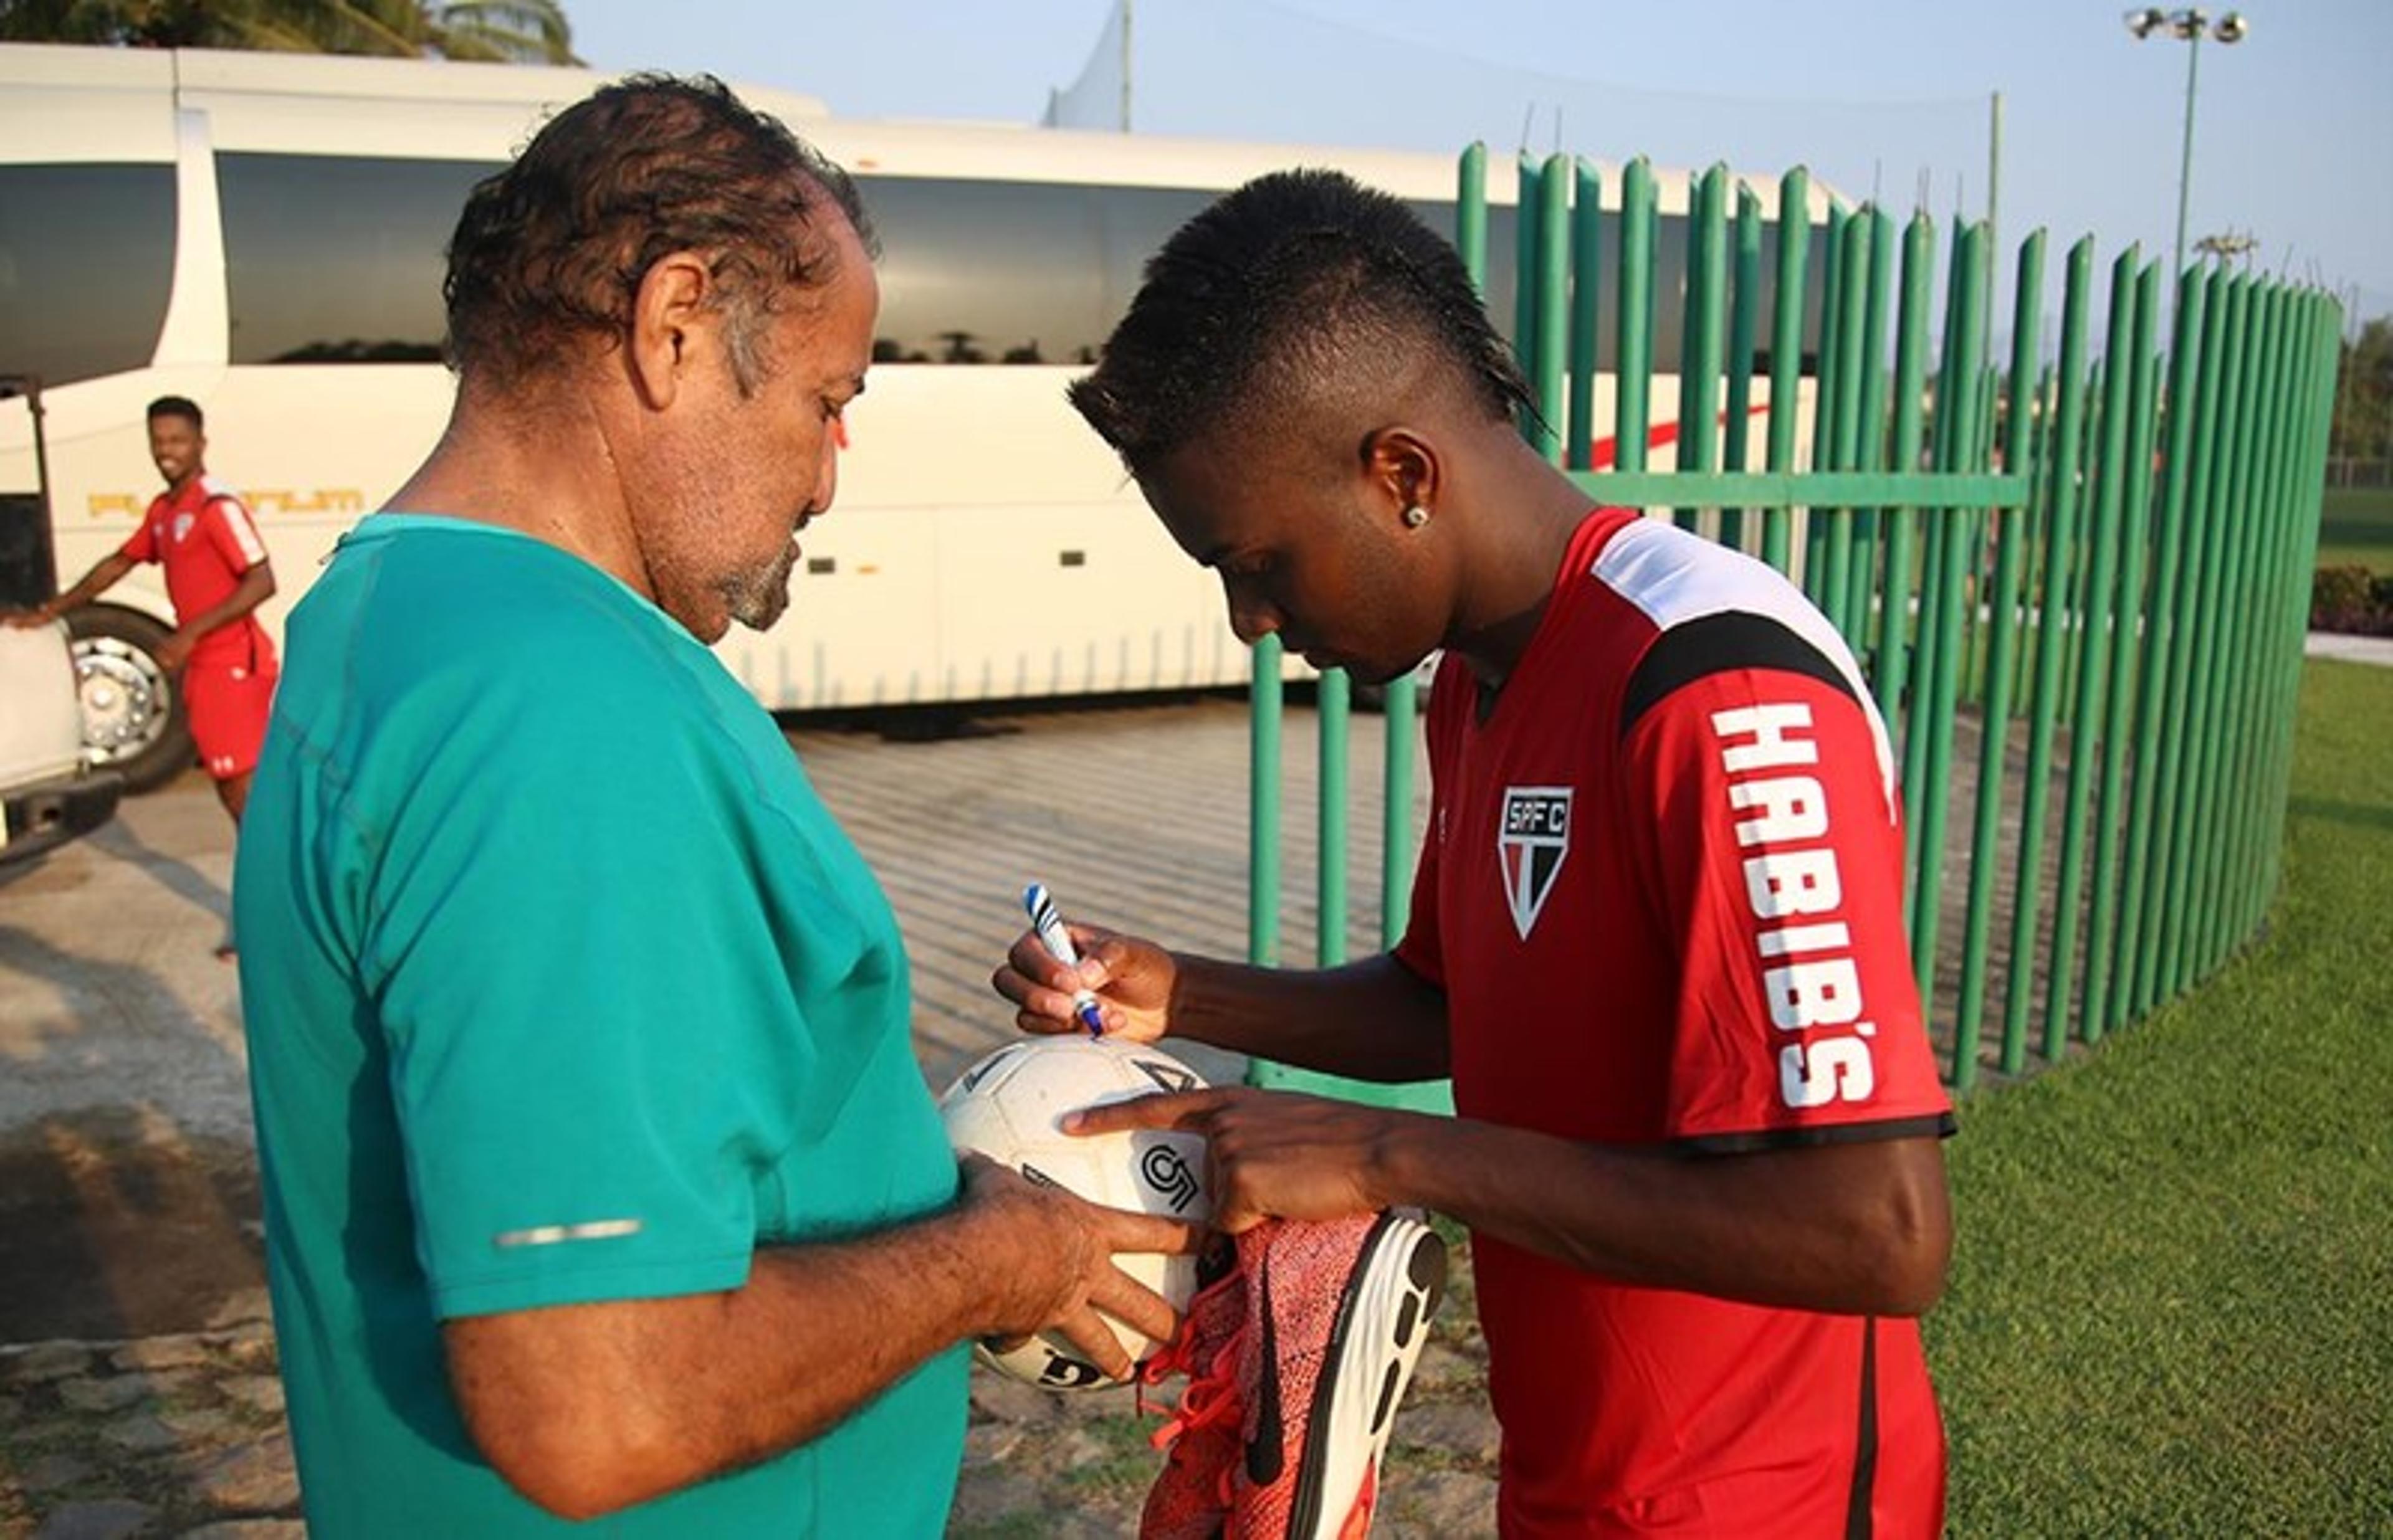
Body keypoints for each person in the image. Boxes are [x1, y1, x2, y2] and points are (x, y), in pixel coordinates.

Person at [232, 75, 1195, 1538]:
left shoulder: (392, 613)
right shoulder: (553, 709)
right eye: (826, 401)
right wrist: (990, 1261)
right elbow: (599, 1403)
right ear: (674, 325)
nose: (825, 477)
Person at [997, 169, 1956, 1538]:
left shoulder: (1716, 691)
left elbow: (1875, 1228)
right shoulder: (1478, 681)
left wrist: (1388, 1157)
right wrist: (1182, 993)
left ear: (1402, 474)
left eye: (1259, 561)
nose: (1249, 622)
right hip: (1579, 1476)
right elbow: (1451, 1004)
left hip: (1766, 1502)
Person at [6, 396, 278, 948]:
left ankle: (266, 914)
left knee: (243, 791)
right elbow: (119, 563)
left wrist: (190, 632)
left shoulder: (216, 507)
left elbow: (261, 580)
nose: (167, 452)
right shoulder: (165, 511)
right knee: (232, 794)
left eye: (178, 441)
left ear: (201, 443)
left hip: (233, 663)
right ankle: (262, 907)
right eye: (159, 442)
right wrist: (52, 611)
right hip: (204, 665)